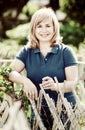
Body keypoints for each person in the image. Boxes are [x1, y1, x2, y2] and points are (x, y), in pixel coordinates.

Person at [8, 8, 78, 130]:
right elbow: (10, 72)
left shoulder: (65, 52)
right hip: (38, 110)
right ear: (33, 29)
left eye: (48, 26)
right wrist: (25, 81)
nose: (44, 30)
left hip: (64, 111)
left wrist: (57, 86)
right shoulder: (27, 51)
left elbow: (73, 83)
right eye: (39, 26)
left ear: (54, 28)